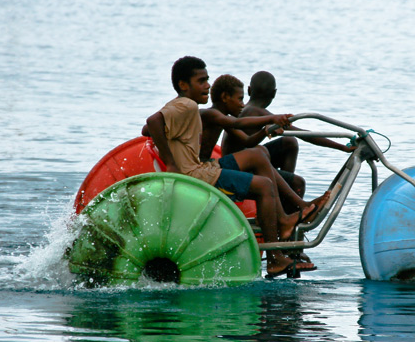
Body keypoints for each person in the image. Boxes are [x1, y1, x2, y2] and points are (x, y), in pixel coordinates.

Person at [142, 56, 316, 277]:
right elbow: (152, 122)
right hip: (195, 175)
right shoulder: (185, 105)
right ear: (183, 85)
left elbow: (146, 131)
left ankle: (282, 223)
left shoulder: (185, 108)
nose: (207, 85)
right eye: (202, 81)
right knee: (263, 186)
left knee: (258, 156)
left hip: (199, 169)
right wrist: (172, 163)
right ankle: (274, 259)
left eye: (208, 80)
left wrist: (172, 142)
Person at [200, 74, 327, 216]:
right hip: (217, 168)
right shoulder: (218, 115)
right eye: (239, 99)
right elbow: (237, 124)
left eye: (243, 99)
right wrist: (272, 119)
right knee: (292, 179)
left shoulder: (225, 117)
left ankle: (287, 215)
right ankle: (287, 220)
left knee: (278, 145)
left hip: (224, 164)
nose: (242, 104)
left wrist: (265, 131)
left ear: (249, 90)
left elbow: (249, 141)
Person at [221, 71, 353, 194]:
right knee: (298, 183)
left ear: (249, 90)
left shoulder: (247, 111)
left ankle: (282, 190)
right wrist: (342, 147)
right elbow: (305, 135)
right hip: (239, 169)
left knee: (288, 141)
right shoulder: (259, 113)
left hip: (239, 161)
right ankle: (287, 199)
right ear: (274, 94)